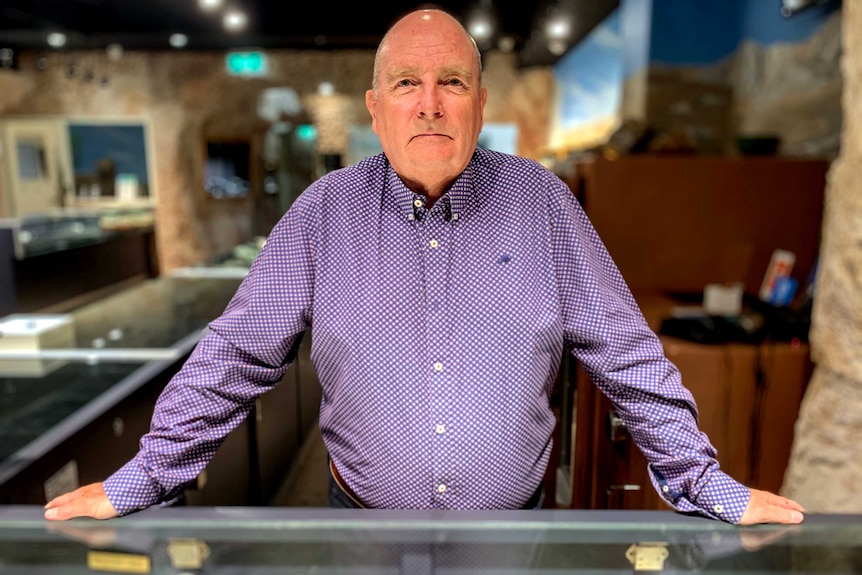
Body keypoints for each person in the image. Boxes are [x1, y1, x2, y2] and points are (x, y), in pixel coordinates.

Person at [44, 7, 804, 525]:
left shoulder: (543, 204)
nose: (431, 104)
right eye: (408, 83)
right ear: (375, 108)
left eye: (453, 82)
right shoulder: (321, 213)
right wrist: (141, 478)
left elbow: (630, 355)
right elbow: (232, 357)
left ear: (478, 102)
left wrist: (710, 486)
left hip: (514, 540)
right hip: (359, 533)